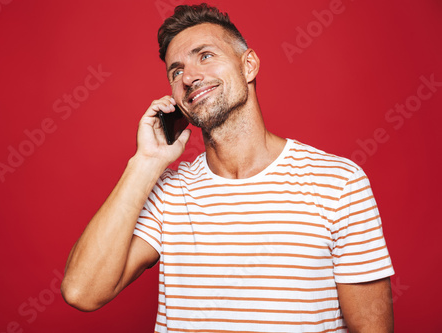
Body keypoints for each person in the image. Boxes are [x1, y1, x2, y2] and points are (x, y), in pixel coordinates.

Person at [61, 3, 395, 332]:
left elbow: (371, 327)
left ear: (248, 65)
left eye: (205, 55)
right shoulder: (169, 193)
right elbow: (81, 291)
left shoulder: (338, 183)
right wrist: (145, 162)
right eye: (176, 71)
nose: (190, 76)